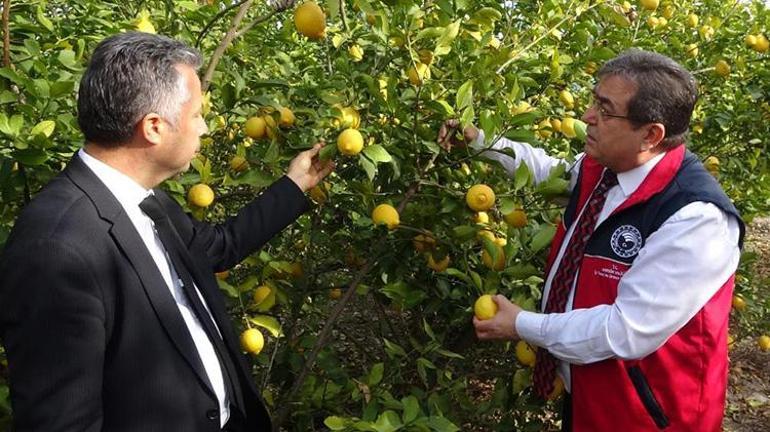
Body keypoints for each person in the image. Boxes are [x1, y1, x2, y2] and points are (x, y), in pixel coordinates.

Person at [0, 32, 333, 431]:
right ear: (154, 127)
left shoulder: (146, 200)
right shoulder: (56, 249)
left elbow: (219, 247)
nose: (205, 128)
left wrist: (293, 186)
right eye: (196, 115)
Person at [439, 49, 744, 431]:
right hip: (589, 396)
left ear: (651, 134)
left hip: (648, 416)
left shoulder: (695, 218)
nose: (587, 117)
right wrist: (482, 142)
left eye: (605, 109)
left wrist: (524, 325)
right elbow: (550, 173)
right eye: (592, 100)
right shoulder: (603, 169)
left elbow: (624, 330)